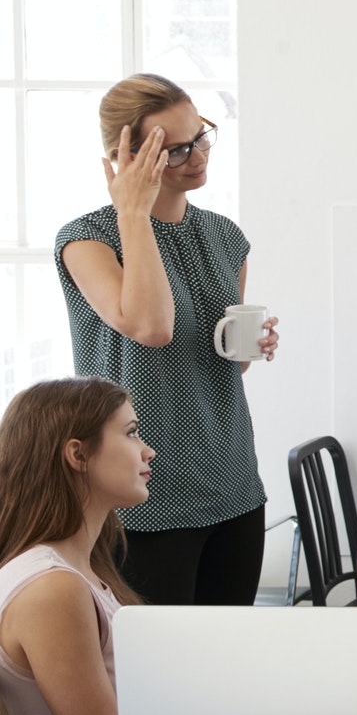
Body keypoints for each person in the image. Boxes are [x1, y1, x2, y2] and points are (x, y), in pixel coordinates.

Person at [55, 74, 276, 607]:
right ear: (125, 157)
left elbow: (221, 365)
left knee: (228, 659)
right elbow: (150, 327)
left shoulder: (226, 236)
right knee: (157, 671)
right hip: (141, 495)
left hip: (231, 480)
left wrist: (251, 346)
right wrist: (133, 209)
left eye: (200, 135)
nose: (197, 155)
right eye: (175, 150)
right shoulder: (86, 241)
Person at [0, 378, 155, 715]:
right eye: (131, 434)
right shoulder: (52, 591)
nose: (148, 451)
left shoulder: (71, 567)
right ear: (77, 455)